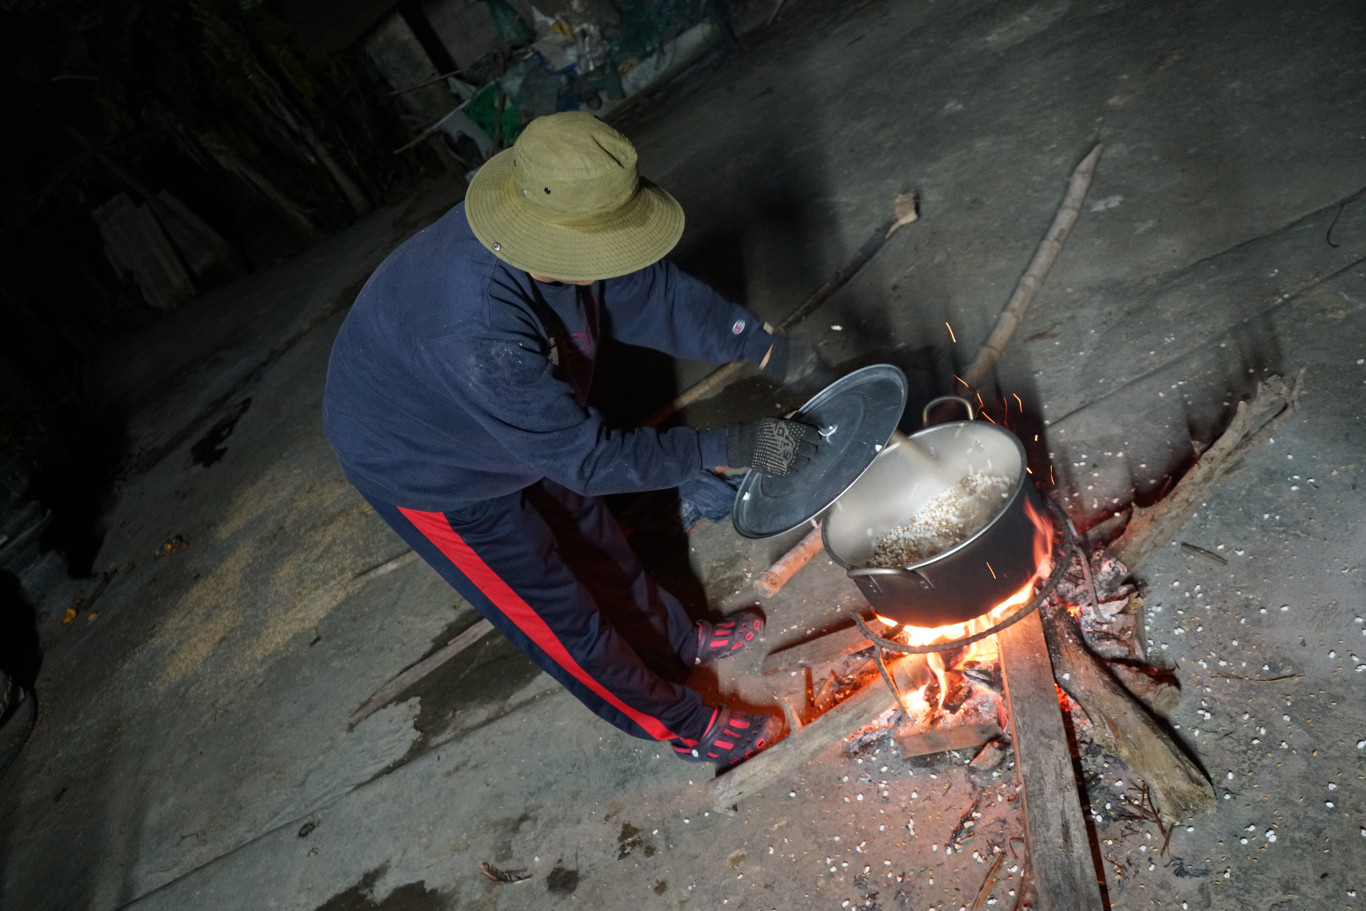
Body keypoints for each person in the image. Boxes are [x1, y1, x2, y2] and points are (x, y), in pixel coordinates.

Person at [322, 112, 825, 768]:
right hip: (429, 462)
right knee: (563, 613)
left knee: (596, 537)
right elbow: (590, 458)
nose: (608, 265)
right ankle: (681, 723)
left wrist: (759, 346)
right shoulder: (476, 327)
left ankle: (676, 636)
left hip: (500, 406)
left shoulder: (556, 220)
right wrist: (731, 444)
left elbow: (649, 293)